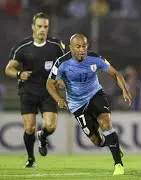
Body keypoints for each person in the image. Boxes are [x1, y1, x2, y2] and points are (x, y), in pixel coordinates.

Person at [46, 34, 132, 175]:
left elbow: (115, 74)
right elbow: (49, 83)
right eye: (78, 46)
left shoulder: (95, 58)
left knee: (105, 123)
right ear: (70, 48)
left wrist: (125, 91)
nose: (82, 49)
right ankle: (112, 144)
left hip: (95, 95)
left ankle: (118, 164)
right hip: (77, 104)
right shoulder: (62, 63)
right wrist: (59, 99)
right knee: (97, 141)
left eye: (84, 46)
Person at [5, 12, 65, 168]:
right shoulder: (23, 47)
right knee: (29, 127)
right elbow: (8, 68)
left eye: (45, 26)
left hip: (48, 91)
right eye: (39, 26)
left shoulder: (56, 45)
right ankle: (31, 159)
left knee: (51, 126)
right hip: (28, 91)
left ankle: (43, 136)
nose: (42, 30)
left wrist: (61, 79)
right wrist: (19, 73)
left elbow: (65, 66)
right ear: (33, 27)